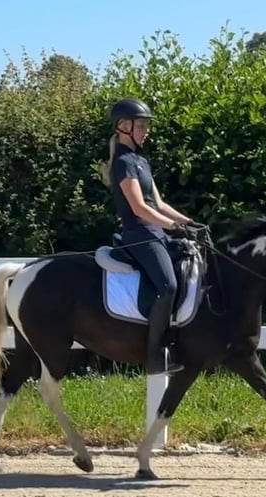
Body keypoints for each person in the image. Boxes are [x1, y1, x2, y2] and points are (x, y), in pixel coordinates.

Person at [99, 97, 195, 376]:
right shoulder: (123, 163)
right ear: (123, 126)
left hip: (156, 232)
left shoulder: (141, 161)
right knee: (167, 285)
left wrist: (188, 222)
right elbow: (139, 208)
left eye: (145, 126)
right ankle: (156, 355)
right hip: (139, 234)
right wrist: (171, 227)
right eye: (141, 125)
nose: (146, 131)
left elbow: (158, 203)